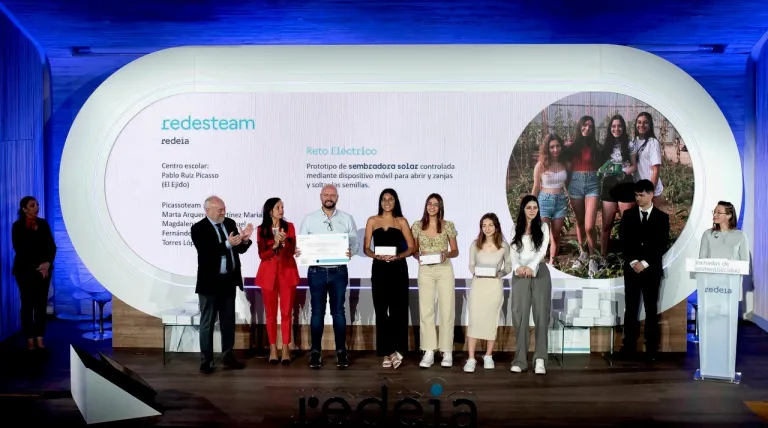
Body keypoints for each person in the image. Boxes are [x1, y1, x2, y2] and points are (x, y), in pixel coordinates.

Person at [297, 184, 358, 369]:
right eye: (326, 194)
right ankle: (315, 352)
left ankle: (341, 352)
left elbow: (354, 244)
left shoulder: (347, 218)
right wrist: (300, 251)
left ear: (337, 197)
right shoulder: (309, 219)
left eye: (332, 195)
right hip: (316, 272)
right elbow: (302, 244)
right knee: (317, 312)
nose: (329, 197)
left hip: (339, 271)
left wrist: (351, 251)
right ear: (320, 196)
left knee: (338, 312)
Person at [191, 196, 253, 374]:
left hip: (228, 281)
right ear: (207, 210)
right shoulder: (198, 228)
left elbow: (239, 249)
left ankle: (228, 356)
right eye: (220, 210)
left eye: (224, 209)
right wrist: (227, 243)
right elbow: (206, 251)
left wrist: (244, 240)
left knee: (228, 321)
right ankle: (206, 360)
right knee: (208, 322)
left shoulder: (230, 223)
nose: (223, 212)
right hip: (210, 283)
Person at [618, 180, 670, 362]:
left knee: (651, 308)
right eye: (636, 195)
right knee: (631, 308)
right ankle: (628, 346)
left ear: (651, 195)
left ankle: (652, 348)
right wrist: (634, 261)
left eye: (641, 195)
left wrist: (645, 263)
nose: (638, 198)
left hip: (651, 271)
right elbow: (623, 241)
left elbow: (661, 244)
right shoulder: (628, 215)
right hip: (632, 269)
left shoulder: (662, 218)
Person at [363, 189, 415, 369]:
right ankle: (387, 352)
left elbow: (411, 247)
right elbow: (366, 248)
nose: (387, 202)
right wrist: (375, 256)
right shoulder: (372, 220)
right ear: (380, 202)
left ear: (395, 202)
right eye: (384, 199)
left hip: (398, 269)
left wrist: (398, 256)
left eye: (390, 199)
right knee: (381, 310)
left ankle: (396, 350)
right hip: (379, 269)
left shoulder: (401, 221)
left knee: (397, 311)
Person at [411, 193, 459, 368]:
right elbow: (414, 250)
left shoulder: (448, 225)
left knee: (447, 309)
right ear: (426, 206)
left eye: (435, 204)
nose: (432, 207)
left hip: (444, 269)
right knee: (426, 310)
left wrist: (447, 254)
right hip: (425, 270)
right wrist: (418, 256)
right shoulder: (417, 226)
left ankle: (447, 351)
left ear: (440, 207)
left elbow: (455, 251)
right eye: (429, 204)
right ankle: (429, 350)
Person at [464, 213, 512, 373]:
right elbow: (471, 265)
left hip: (494, 287)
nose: (487, 228)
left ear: (496, 226)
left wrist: (500, 273)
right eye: (484, 225)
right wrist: (477, 271)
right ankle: (471, 358)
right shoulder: (475, 244)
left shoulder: (503, 246)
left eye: (490, 225)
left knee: (492, 320)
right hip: (478, 286)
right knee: (474, 320)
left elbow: (508, 266)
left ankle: (488, 355)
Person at [509, 195, 551, 375]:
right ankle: (520, 360)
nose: (532, 210)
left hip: (539, 272)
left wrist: (531, 267)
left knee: (541, 315)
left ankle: (540, 359)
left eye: (535, 207)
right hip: (520, 274)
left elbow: (542, 250)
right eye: (529, 207)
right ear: (523, 209)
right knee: (520, 316)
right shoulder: (515, 228)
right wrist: (518, 267)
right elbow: (512, 251)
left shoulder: (543, 227)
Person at [255, 197, 300, 364]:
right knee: (271, 314)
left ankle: (286, 348)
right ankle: (273, 348)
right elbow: (262, 255)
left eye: (282, 207)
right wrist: (274, 245)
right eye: (278, 207)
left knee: (287, 313)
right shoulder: (261, 230)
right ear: (270, 211)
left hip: (287, 273)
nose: (281, 210)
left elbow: (291, 251)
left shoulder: (289, 227)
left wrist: (284, 242)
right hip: (268, 275)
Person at [12, 196, 56, 351]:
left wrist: (47, 264)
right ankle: (30, 338)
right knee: (27, 305)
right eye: (32, 205)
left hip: (44, 271)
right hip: (25, 271)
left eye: (37, 204)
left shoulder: (43, 224)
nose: (36, 207)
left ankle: (40, 337)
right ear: (24, 209)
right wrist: (39, 266)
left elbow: (51, 247)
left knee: (40, 305)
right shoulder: (17, 226)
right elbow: (21, 249)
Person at [599, 114, 637, 267]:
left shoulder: (629, 144)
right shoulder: (605, 145)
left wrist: (624, 172)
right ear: (610, 128)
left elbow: (634, 166)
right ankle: (603, 257)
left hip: (626, 183)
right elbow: (601, 167)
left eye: (619, 126)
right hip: (609, 185)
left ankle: (629, 259)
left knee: (627, 225)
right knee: (606, 225)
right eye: (614, 126)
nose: (617, 129)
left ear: (623, 127)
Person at [564, 115, 601, 271]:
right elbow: (562, 163)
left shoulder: (597, 147)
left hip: (592, 184)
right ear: (579, 127)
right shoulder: (571, 147)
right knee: (579, 222)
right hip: (575, 184)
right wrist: (567, 188)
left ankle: (593, 258)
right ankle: (583, 253)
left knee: (589, 226)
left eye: (590, 126)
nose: (587, 128)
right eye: (584, 125)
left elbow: (603, 165)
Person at [531, 133, 570, 265]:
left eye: (558, 146)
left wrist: (569, 197)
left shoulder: (565, 164)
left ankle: (553, 263)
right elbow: (536, 186)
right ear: (547, 149)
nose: (555, 149)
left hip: (560, 202)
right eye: (552, 147)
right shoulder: (540, 165)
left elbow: (566, 184)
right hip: (544, 201)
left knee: (556, 235)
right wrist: (531, 205)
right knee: (543, 236)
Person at [632, 112, 665, 205]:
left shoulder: (653, 142)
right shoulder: (634, 141)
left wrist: (650, 192)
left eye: (645, 122)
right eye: (639, 122)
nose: (641, 125)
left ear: (650, 125)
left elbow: (656, 169)